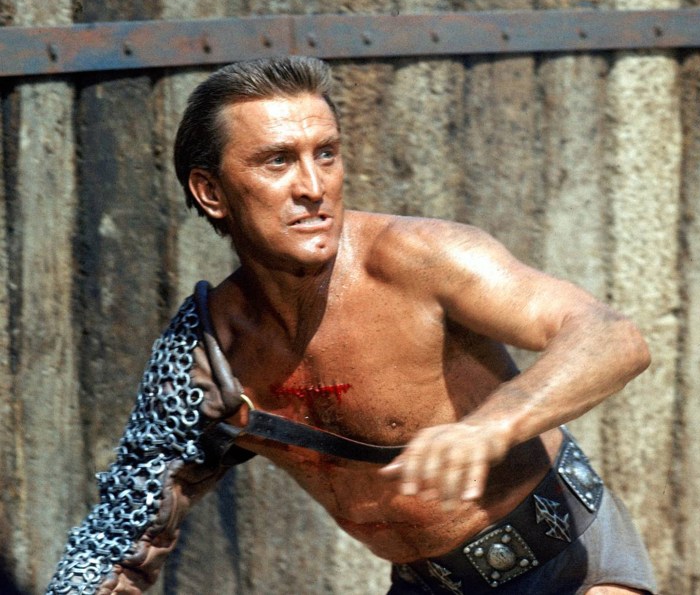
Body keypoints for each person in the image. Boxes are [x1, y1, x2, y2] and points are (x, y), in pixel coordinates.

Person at [47, 56, 658, 595]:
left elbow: (611, 337)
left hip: (571, 563)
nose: (313, 187)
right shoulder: (208, 358)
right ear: (211, 191)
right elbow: (119, 537)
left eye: (326, 154)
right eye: (277, 161)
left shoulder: (418, 259)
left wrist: (489, 427)